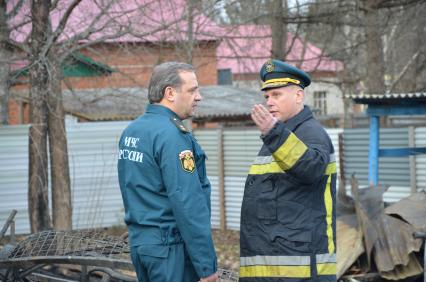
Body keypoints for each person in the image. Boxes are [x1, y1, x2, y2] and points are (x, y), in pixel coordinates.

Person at [117, 62, 218, 282]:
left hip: (142, 246)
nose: (199, 96)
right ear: (170, 93)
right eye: (192, 90)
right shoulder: (172, 136)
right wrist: (206, 265)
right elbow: (188, 202)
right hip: (169, 250)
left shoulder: (132, 131)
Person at [239, 59, 337, 281]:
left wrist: (274, 133)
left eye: (277, 95)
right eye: (267, 96)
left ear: (299, 96)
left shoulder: (310, 133)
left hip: (300, 270)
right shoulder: (276, 136)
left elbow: (311, 168)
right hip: (272, 266)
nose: (270, 102)